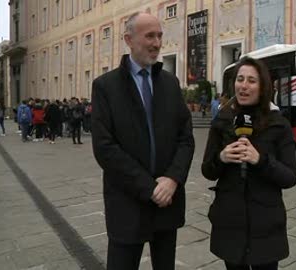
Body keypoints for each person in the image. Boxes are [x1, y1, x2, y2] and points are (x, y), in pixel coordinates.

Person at [91, 12, 195, 270]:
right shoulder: (106, 86)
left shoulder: (170, 83)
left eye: (159, 36)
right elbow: (105, 149)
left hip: (167, 203)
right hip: (127, 205)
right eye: (150, 36)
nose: (157, 43)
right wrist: (149, 188)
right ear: (128, 39)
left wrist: (172, 179)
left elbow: (186, 138)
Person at [201, 57, 296, 270]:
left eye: (252, 81)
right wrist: (222, 158)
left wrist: (260, 160)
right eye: (240, 79)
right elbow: (207, 170)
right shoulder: (222, 120)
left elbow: (290, 177)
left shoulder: (278, 124)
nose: (244, 86)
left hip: (266, 223)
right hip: (229, 220)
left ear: (262, 86)